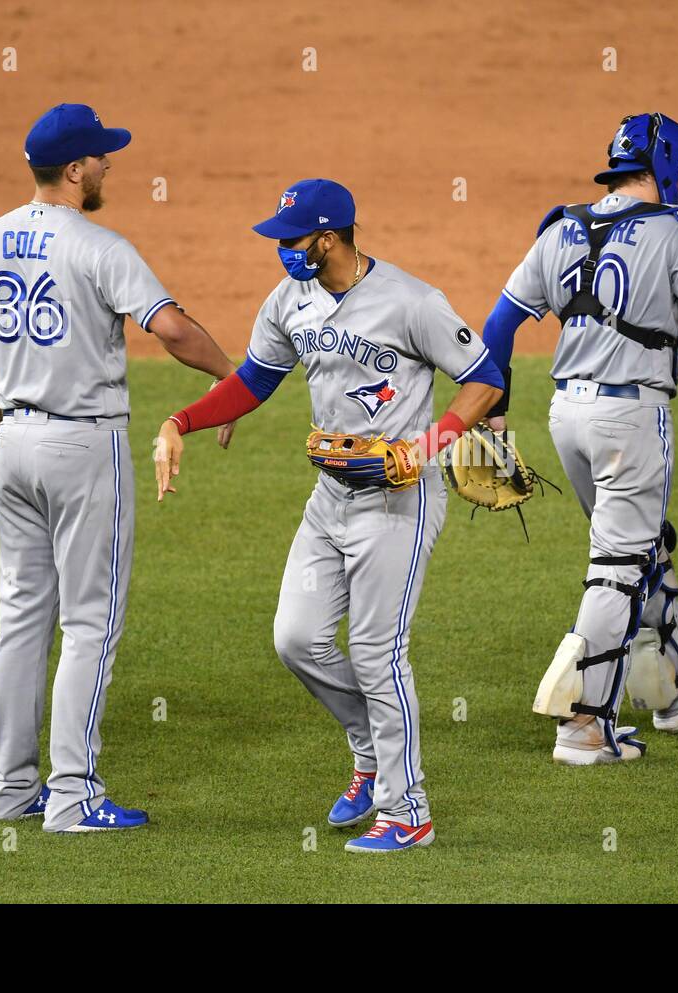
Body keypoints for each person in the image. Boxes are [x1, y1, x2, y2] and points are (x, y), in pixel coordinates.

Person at [153, 179, 504, 851]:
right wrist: (181, 420)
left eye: (290, 239)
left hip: (399, 500)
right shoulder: (290, 301)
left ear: (328, 238)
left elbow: (485, 376)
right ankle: (370, 750)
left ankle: (409, 812)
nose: (280, 250)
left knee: (379, 653)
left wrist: (427, 445)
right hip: (330, 498)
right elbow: (254, 380)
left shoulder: (411, 301)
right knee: (297, 638)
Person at [0, 103, 238, 831]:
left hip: (13, 443)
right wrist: (231, 381)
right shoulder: (100, 246)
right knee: (89, 623)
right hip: (83, 448)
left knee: (21, 622)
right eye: (101, 157)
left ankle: (10, 789)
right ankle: (73, 796)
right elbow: (169, 327)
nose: (109, 165)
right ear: (74, 170)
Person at [480, 113, 678, 766]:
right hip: (631, 421)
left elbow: (496, 329)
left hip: (566, 419)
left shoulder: (561, 227)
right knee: (616, 570)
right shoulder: (677, 232)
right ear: (665, 166)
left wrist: (495, 419)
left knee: (644, 549)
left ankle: (676, 693)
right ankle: (584, 726)